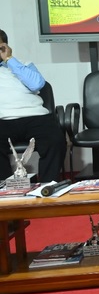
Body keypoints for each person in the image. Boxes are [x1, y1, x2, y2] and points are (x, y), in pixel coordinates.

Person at [0, 28, 66, 183]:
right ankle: (4, 188)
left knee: (55, 141)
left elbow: (37, 84)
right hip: (3, 119)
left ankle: (47, 186)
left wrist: (9, 59)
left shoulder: (23, 65)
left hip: (35, 116)